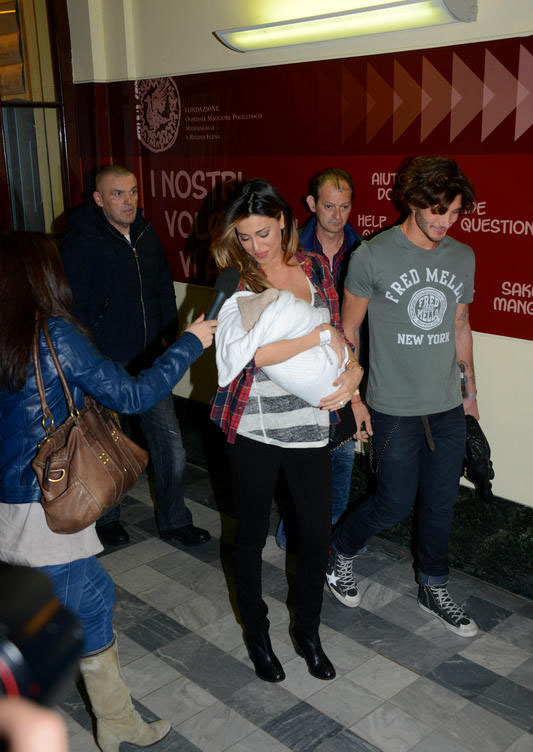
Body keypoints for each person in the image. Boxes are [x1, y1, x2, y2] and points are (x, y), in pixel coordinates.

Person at [0, 232, 217, 751]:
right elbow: (133, 394)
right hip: (46, 509)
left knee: (93, 600)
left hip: (13, 501)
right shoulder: (55, 333)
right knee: (52, 626)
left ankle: (116, 720)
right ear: (44, 277)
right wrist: (192, 343)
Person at [210, 179, 363, 683]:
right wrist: (315, 336)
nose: (256, 246)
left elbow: (339, 338)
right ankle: (257, 632)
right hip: (254, 423)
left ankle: (308, 632)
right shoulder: (237, 279)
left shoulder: (316, 267)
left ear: (283, 222)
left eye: (263, 233)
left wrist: (355, 381)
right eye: (245, 236)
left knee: (316, 534)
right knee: (251, 535)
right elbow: (243, 358)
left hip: (311, 425)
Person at [328, 156, 480, 637]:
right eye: (436, 210)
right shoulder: (372, 256)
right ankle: (340, 551)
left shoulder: (461, 257)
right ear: (412, 200)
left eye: (453, 213)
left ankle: (433, 585)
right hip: (391, 407)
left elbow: (460, 326)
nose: (444, 222)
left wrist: (471, 395)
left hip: (446, 406)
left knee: (440, 501)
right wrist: (355, 399)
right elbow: (347, 331)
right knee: (392, 503)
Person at [61, 165, 210, 548]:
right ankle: (108, 520)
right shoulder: (82, 239)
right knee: (107, 447)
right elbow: (73, 307)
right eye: (117, 194)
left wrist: (169, 338)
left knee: (170, 444)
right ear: (98, 199)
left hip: (149, 364)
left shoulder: (145, 231)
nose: (128, 201)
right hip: (104, 365)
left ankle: (175, 520)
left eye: (132, 192)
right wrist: (89, 359)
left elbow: (162, 286)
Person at [301, 168, 361, 525]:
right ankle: (297, 535)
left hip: (347, 368)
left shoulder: (364, 251)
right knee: (306, 463)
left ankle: (330, 542)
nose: (337, 216)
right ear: (312, 204)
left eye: (344, 207)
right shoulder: (291, 248)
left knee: (342, 456)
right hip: (301, 367)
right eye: (328, 206)